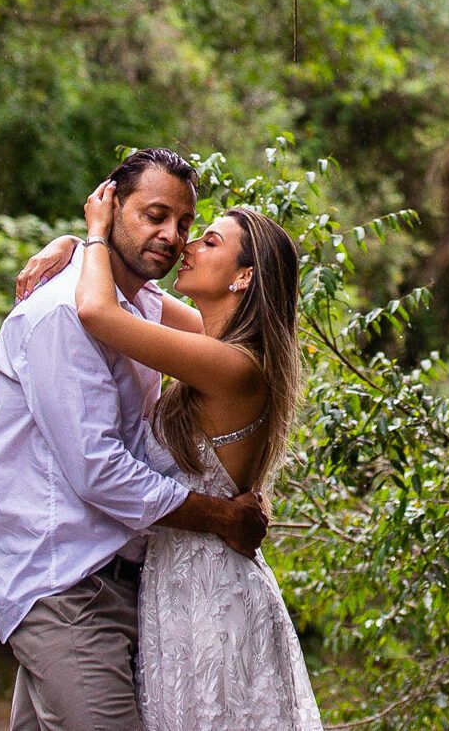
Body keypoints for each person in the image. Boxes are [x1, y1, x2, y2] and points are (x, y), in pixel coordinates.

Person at [0, 147, 270, 731]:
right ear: (110, 204)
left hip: (130, 580)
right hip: (66, 585)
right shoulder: (64, 314)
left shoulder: (140, 305)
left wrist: (79, 242)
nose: (173, 236)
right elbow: (99, 470)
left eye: (187, 225)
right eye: (154, 215)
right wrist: (219, 516)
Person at [19, 183, 325, 731]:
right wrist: (72, 245)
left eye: (207, 241)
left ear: (244, 276)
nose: (187, 246)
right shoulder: (209, 340)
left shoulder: (233, 366)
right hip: (173, 584)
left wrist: (93, 230)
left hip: (210, 589)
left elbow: (97, 310)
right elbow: (130, 293)